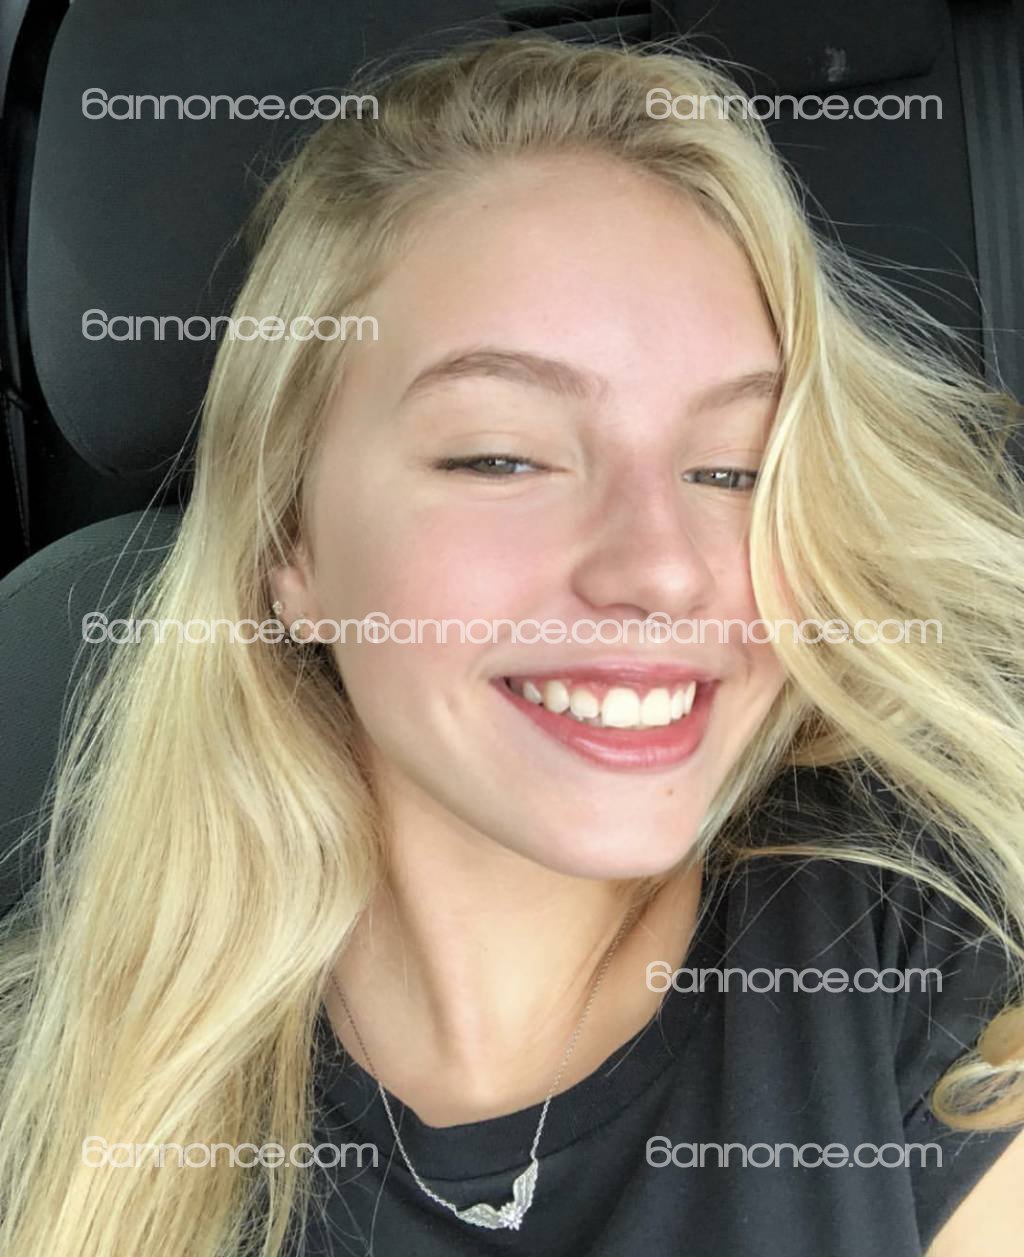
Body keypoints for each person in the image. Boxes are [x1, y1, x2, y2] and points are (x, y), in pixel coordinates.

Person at [1, 33, 1023, 1257]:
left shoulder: (934, 984)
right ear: (291, 544)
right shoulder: (54, 1099)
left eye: (733, 469)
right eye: (502, 456)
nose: (661, 567)